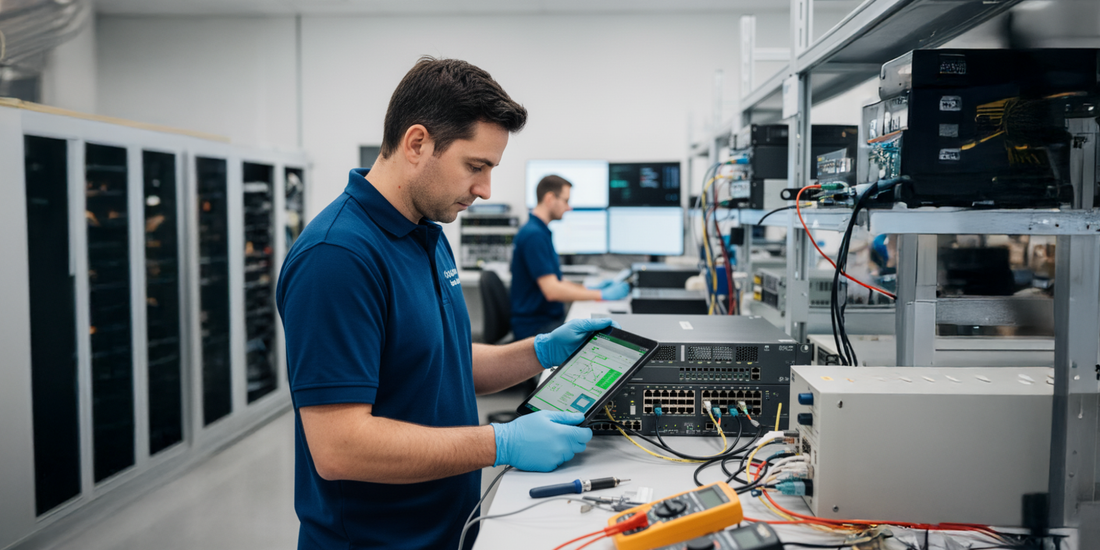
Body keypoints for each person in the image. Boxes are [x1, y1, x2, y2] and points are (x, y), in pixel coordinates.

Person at [276, 56, 610, 550]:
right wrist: (499, 443)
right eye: (475, 166)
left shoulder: (427, 233)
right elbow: (339, 447)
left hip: (446, 527)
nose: (484, 190)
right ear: (417, 144)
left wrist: (540, 351)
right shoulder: (337, 257)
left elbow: (440, 359)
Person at [510, 175, 630, 340]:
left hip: (543, 321)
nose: (569, 208)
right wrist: (601, 296)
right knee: (602, 337)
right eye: (566, 201)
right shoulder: (534, 235)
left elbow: (557, 281)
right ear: (550, 198)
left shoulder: (539, 231)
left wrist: (593, 290)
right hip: (535, 327)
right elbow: (552, 290)